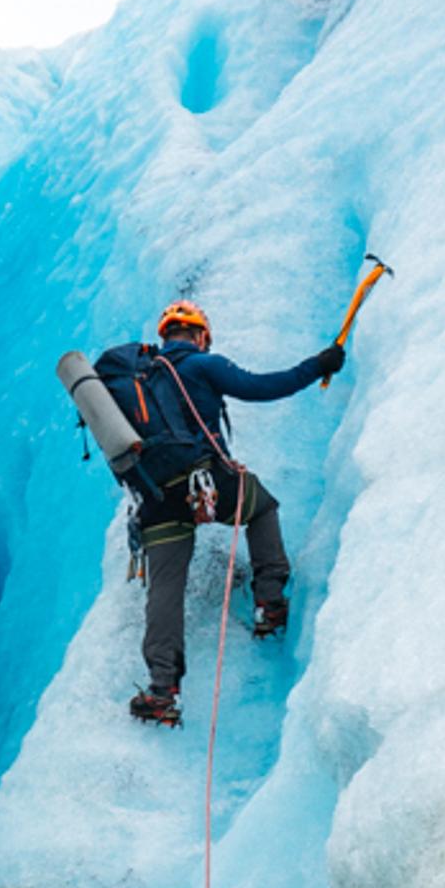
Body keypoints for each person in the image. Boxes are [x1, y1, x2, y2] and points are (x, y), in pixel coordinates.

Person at [89, 297, 344, 725]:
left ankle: (162, 690)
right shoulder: (199, 365)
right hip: (205, 482)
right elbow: (263, 387)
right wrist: (319, 365)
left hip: (155, 499)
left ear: (163, 335)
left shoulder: (140, 380)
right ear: (201, 336)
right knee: (260, 507)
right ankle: (270, 601)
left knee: (166, 590)